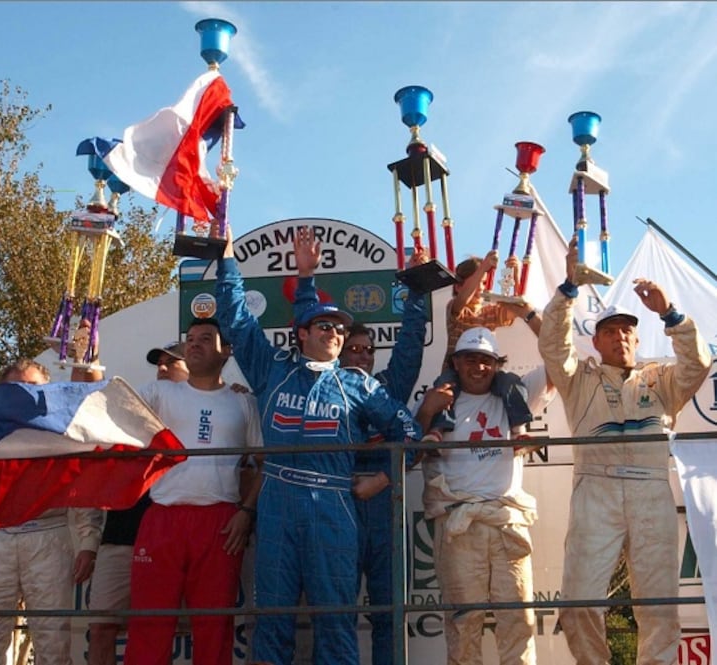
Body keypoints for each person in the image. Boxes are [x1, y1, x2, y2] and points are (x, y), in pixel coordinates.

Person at [214, 228, 422, 665]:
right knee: (271, 620)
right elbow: (235, 318)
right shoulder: (272, 370)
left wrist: (382, 479)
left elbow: (411, 437)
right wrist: (227, 260)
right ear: (301, 333)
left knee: (336, 621)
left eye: (340, 329)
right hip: (277, 505)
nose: (335, 332)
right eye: (324, 325)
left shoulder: (358, 383)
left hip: (334, 509)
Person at [537, 237, 711, 665]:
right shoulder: (579, 381)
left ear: (637, 339)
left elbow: (699, 364)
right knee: (578, 606)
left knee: (659, 609)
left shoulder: (660, 381)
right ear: (595, 342)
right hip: (596, 489)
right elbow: (552, 345)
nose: (621, 338)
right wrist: (568, 288)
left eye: (628, 331)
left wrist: (670, 313)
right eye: (610, 332)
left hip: (651, 491)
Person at [291, 226, 429, 665]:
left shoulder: (386, 386)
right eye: (355, 349)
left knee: (390, 610)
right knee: (336, 613)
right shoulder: (319, 387)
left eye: (370, 349)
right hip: (338, 503)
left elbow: (409, 347)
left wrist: (419, 291)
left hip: (382, 505)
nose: (364, 356)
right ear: (339, 351)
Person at [123, 318, 263, 665]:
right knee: (149, 625)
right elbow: (104, 411)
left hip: (220, 524)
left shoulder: (244, 402)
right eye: (190, 339)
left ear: (226, 351)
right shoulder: (159, 393)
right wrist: (86, 363)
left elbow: (265, 464)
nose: (195, 344)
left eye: (206, 338)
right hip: (163, 520)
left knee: (214, 628)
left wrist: (246, 512)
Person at [0, 358, 104, 665]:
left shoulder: (60, 432)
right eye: (14, 386)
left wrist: (88, 543)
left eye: (32, 387)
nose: (22, 393)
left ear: (45, 391)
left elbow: (79, 489)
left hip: (48, 538)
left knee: (52, 639)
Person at [415, 327, 554, 665]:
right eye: (470, 359)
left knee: (519, 620)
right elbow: (411, 449)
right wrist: (426, 412)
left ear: (497, 364)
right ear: (456, 363)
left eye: (486, 361)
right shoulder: (440, 400)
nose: (478, 367)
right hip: (460, 525)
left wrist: (531, 316)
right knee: (464, 623)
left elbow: (558, 360)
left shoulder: (515, 393)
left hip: (507, 522)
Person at [86, 341, 189, 665]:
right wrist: (87, 356)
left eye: (170, 363)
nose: (161, 368)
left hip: (172, 541)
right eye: (158, 363)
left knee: (159, 630)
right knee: (101, 627)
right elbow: (93, 403)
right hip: (119, 539)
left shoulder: (208, 415)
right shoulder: (130, 414)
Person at [429, 250, 543, 438]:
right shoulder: (455, 308)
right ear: (458, 286)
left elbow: (515, 307)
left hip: (487, 373)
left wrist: (514, 274)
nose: (481, 287)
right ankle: (437, 430)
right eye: (477, 281)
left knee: (512, 383)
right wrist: (483, 268)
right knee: (443, 388)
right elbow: (463, 299)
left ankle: (517, 430)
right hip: (455, 373)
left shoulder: (490, 312)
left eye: (484, 282)